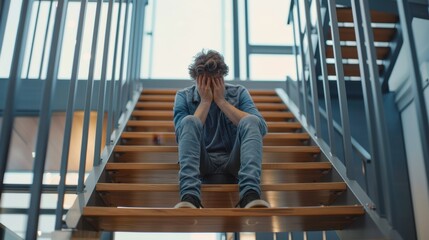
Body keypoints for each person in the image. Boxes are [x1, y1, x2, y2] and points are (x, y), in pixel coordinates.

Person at [173, 49, 270, 209]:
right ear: (196, 80)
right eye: (204, 82)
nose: (209, 87)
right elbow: (181, 135)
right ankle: (190, 198)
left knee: (251, 120)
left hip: (234, 159)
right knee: (189, 122)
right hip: (202, 161)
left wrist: (221, 101)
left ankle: (249, 195)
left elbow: (261, 127)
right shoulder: (184, 96)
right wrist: (205, 102)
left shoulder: (239, 93)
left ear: (222, 78)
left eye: (215, 81)